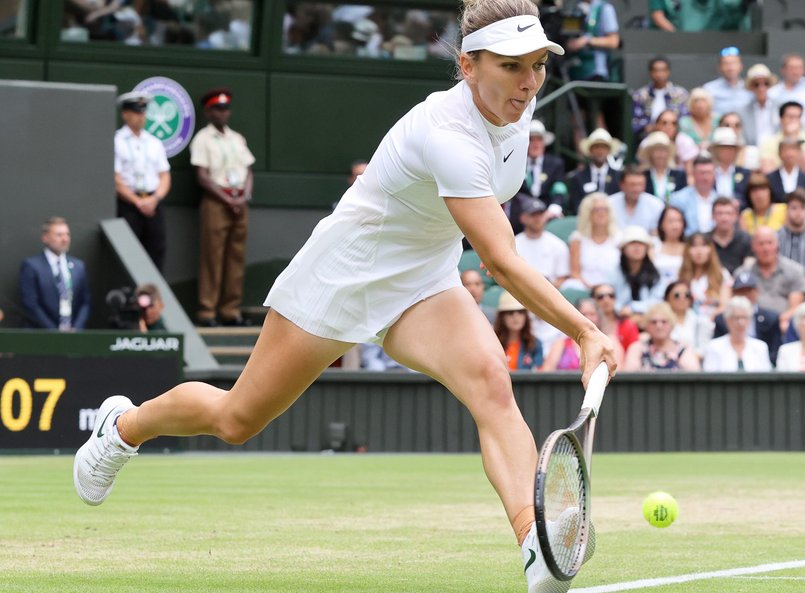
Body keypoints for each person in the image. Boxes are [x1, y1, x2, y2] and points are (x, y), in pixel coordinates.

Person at [73, 8, 618, 593]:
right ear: (466, 66)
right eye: (512, 67)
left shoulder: (517, 99)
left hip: (424, 276)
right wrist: (585, 331)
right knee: (237, 419)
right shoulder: (447, 136)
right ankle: (122, 426)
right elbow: (500, 262)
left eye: (537, 66)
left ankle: (534, 544)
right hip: (344, 274)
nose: (530, 82)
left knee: (491, 382)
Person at [190, 87, 256, 327]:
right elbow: (202, 175)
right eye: (217, 109)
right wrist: (227, 199)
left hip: (239, 202)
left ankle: (231, 310)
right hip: (217, 201)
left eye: (225, 108)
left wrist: (244, 195)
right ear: (208, 112)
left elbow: (248, 169)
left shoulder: (237, 138)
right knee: (213, 256)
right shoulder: (203, 139)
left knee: (236, 257)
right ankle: (207, 311)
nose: (223, 113)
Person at [113, 91, 171, 271]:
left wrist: (154, 200)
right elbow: (115, 178)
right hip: (128, 205)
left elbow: (164, 176)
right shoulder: (116, 141)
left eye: (144, 113)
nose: (141, 117)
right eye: (137, 112)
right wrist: (137, 201)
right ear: (125, 114)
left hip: (153, 204)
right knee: (130, 253)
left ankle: (154, 296)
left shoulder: (154, 142)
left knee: (157, 249)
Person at [18, 217, 91, 330]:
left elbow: (85, 302)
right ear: (45, 238)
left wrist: (76, 328)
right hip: (42, 335)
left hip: (73, 335)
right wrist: (53, 331)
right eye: (59, 235)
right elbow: (31, 304)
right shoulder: (31, 266)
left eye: (67, 234)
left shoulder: (78, 266)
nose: (65, 239)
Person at [734, 227, 805, 332]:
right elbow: (737, 305)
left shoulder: (794, 270)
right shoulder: (743, 274)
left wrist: (776, 321)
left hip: (782, 324)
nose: (766, 248)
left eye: (769, 243)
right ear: (753, 246)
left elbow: (796, 307)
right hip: (751, 325)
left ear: (777, 244)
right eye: (761, 244)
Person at [713, 271, 781, 364]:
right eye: (741, 291)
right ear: (733, 293)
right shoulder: (721, 319)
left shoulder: (770, 319)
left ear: (757, 291)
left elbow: (775, 352)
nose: (745, 295)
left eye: (749, 291)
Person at [541, 297, 620, 371]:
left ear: (599, 317)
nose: (588, 319)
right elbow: (546, 372)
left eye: (592, 314)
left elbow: (619, 371)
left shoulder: (610, 340)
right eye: (583, 314)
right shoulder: (561, 343)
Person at [563, 192, 619, 289]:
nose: (601, 213)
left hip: (614, 288)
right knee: (570, 285)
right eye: (596, 210)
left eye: (605, 209)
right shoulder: (577, 238)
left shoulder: (618, 238)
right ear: (587, 213)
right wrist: (592, 289)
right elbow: (575, 273)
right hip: (585, 287)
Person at [622, 302, 700, 371]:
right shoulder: (638, 348)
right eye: (654, 322)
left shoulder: (682, 349)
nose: (659, 326)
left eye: (664, 322)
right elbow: (629, 374)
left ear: (671, 325)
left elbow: (694, 375)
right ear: (646, 325)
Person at [610, 225, 664, 323]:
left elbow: (657, 301)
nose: (637, 247)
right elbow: (610, 300)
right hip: (618, 320)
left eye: (641, 243)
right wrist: (623, 311)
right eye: (632, 243)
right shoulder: (613, 273)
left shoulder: (656, 274)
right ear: (623, 248)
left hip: (650, 321)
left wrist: (633, 308)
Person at [703, 296, 772, 372]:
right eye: (737, 318)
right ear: (727, 320)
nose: (741, 323)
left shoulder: (760, 347)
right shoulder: (714, 347)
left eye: (745, 317)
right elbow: (710, 379)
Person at [630, 56, 689, 141]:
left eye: (663, 70)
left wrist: (671, 127)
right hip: (648, 137)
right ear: (650, 72)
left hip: (675, 137)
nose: (659, 74)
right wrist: (648, 127)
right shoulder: (640, 95)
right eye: (656, 70)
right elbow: (634, 122)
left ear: (668, 72)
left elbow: (685, 119)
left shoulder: (680, 94)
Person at [515, 197, 570, 287]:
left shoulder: (557, 244)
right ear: (523, 218)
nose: (537, 219)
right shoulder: (514, 244)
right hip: (521, 289)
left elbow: (562, 277)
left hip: (551, 289)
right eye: (533, 215)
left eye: (540, 214)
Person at [566, 128, 622, 213]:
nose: (600, 151)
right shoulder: (578, 177)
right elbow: (575, 206)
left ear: (609, 151)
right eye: (596, 147)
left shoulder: (618, 176)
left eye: (604, 147)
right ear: (590, 150)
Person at [677, 232, 731, 320]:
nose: (699, 251)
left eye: (703, 245)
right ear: (687, 250)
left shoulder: (722, 274)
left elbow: (725, 306)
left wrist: (708, 321)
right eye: (694, 246)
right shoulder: (679, 275)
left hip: (714, 323)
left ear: (711, 249)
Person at [759, 101, 805, 174]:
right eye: (790, 117)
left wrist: (794, 139)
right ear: (781, 119)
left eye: (798, 117)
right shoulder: (768, 142)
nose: (794, 121)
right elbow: (768, 171)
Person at [522, 120, 568, 215]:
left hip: (547, 212)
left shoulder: (555, 164)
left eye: (539, 139)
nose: (535, 144)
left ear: (544, 142)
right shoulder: (518, 163)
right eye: (531, 139)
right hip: (522, 213)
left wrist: (554, 207)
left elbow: (559, 189)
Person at [494, 291, 544, 371]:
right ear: (502, 317)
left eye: (520, 312)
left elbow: (537, 375)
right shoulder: (493, 344)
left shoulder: (535, 344)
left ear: (526, 316)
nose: (516, 316)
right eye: (510, 313)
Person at [777, 189, 805, 272]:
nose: (798, 212)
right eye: (794, 208)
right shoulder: (777, 237)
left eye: (802, 207)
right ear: (787, 209)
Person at [607, 166, 665, 233]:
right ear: (622, 185)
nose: (636, 189)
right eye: (632, 185)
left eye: (640, 184)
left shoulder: (656, 205)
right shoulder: (609, 204)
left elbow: (656, 235)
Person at [670, 155, 718, 235]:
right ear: (693, 174)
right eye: (702, 173)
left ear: (714, 175)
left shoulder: (719, 199)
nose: (705, 177)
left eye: (709, 173)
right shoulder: (678, 199)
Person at [664, 280, 713, 358]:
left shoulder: (700, 321)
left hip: (694, 365)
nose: (682, 298)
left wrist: (687, 360)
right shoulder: (659, 321)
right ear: (667, 298)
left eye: (686, 295)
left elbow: (703, 349)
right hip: (667, 364)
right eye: (677, 295)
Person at [637, 130, 687, 202]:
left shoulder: (679, 175)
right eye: (656, 150)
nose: (660, 154)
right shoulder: (643, 175)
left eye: (663, 150)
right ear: (650, 153)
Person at [702, 46, 752, 118]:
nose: (730, 68)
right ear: (719, 67)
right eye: (726, 64)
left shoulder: (750, 88)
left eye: (734, 63)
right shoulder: (709, 89)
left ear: (741, 66)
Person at [589, 283, 640, 353]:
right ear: (593, 300)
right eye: (600, 297)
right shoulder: (590, 325)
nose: (606, 300)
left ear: (615, 299)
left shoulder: (627, 325)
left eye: (611, 296)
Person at [707, 196, 752, 274]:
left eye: (729, 213)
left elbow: (749, 267)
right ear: (712, 216)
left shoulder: (746, 239)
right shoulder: (705, 240)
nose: (724, 218)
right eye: (719, 213)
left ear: (736, 216)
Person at [738, 63, 779, 147]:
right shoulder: (743, 111)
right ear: (751, 87)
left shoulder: (779, 107)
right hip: (752, 150)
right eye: (756, 84)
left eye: (765, 83)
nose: (761, 88)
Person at [708, 126, 750, 206]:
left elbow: (748, 199)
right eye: (723, 148)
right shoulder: (709, 172)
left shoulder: (745, 174)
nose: (727, 151)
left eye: (731, 148)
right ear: (716, 150)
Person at [653, 109, 700, 173]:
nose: (669, 126)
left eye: (673, 123)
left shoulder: (685, 141)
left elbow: (690, 174)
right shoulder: (649, 142)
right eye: (664, 123)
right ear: (657, 125)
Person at [652, 205, 687, 286]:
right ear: (661, 224)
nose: (676, 226)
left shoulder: (689, 247)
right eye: (671, 221)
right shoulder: (653, 245)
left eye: (679, 221)